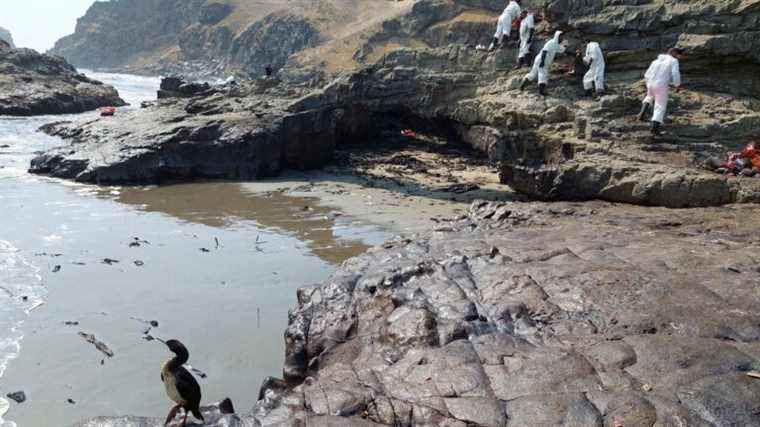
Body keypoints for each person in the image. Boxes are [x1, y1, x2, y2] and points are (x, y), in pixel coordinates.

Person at [638, 48, 683, 135]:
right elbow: (675, 73)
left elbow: (647, 74)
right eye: (678, 54)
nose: (678, 57)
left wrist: (648, 83)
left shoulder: (656, 61)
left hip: (650, 83)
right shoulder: (673, 61)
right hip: (661, 86)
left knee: (649, 96)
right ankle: (654, 128)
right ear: (673, 53)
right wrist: (677, 85)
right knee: (660, 105)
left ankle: (641, 114)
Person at [520, 31, 567, 96]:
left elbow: (562, 50)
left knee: (533, 73)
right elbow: (545, 51)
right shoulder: (551, 42)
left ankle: (523, 84)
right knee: (543, 74)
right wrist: (542, 61)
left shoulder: (556, 44)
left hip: (539, 59)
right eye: (560, 36)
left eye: (562, 37)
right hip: (542, 59)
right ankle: (541, 91)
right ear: (557, 36)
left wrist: (565, 45)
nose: (561, 38)